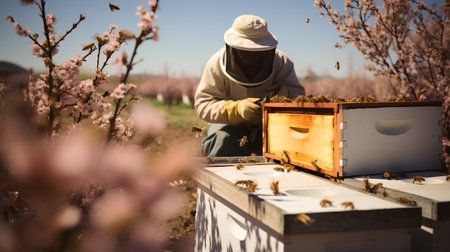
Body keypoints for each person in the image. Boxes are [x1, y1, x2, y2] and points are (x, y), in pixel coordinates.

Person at [194, 14, 305, 157]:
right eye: (245, 50)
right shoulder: (215, 64)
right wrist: (235, 110)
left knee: (290, 143)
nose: (251, 56)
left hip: (271, 125)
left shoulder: (282, 62)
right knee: (223, 140)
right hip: (229, 126)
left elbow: (300, 96)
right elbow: (203, 105)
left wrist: (285, 94)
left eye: (257, 51)